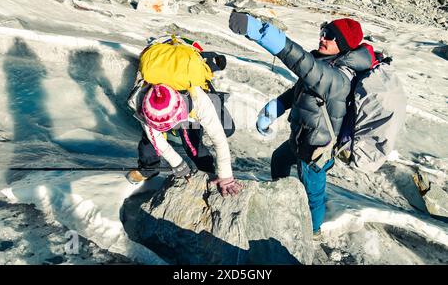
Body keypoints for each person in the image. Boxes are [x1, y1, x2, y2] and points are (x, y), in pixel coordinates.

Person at [229, 12, 374, 234]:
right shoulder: (327, 64)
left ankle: (312, 233)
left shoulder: (338, 78)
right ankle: (282, 200)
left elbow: (302, 64)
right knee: (279, 160)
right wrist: (276, 107)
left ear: (343, 45)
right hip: (300, 138)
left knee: (313, 197)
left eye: (330, 36)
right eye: (323, 32)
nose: (323, 38)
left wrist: (261, 33)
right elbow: (303, 90)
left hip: (315, 150)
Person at [126, 54, 242, 197]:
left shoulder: (199, 102)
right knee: (149, 140)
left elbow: (219, 139)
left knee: (199, 141)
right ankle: (148, 169)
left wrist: (226, 175)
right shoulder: (140, 101)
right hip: (161, 68)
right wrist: (178, 164)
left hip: (187, 86)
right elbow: (155, 138)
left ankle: (208, 171)